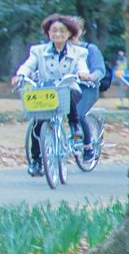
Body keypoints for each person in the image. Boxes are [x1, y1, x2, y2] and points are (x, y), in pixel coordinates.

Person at [12, 14, 100, 172]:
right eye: (54, 31)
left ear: (69, 34)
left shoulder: (79, 52)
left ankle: (74, 124)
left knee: (69, 92)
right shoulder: (37, 50)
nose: (57, 34)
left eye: (62, 31)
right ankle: (36, 161)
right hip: (47, 91)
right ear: (48, 33)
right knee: (38, 123)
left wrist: (83, 74)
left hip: (69, 88)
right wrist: (21, 75)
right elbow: (28, 65)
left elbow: (82, 66)